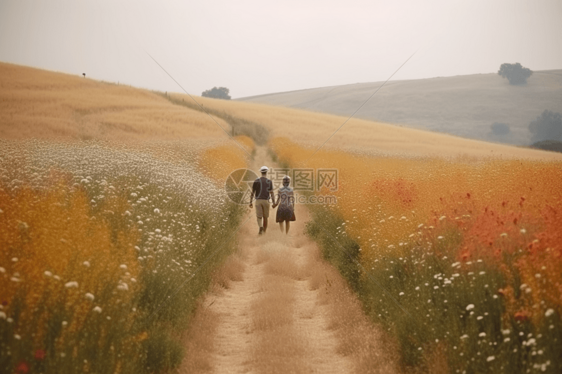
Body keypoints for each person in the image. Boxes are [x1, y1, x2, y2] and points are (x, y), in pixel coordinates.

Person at [249, 165, 274, 235]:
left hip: (258, 201)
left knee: (259, 216)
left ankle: (260, 227)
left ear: (261, 172)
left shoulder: (256, 181)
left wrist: (250, 202)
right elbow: (272, 193)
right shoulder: (269, 181)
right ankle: (264, 232)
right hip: (266, 201)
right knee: (265, 217)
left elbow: (252, 192)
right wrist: (274, 202)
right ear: (266, 172)